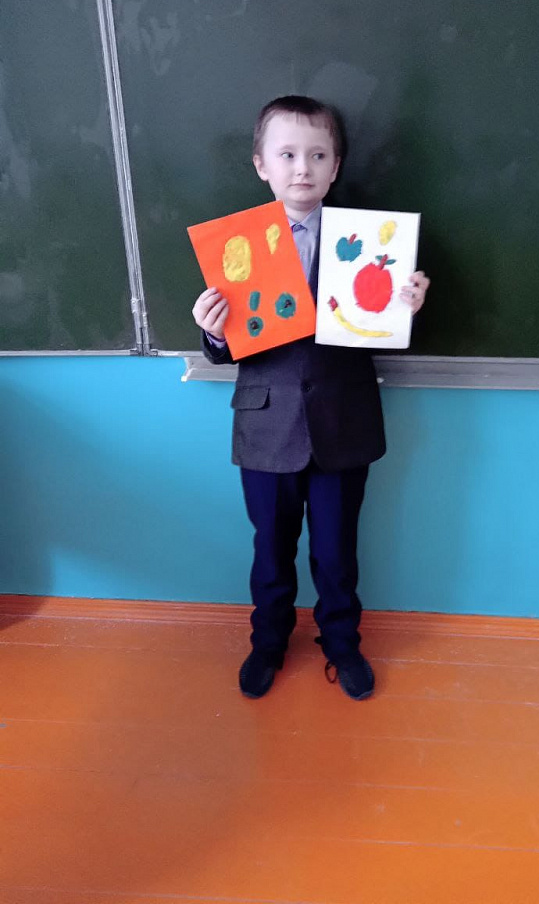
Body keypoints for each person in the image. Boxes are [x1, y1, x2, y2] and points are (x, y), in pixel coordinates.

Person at [192, 95, 430, 700]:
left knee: (336, 550)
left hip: (342, 423)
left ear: (335, 166)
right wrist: (213, 333)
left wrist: (404, 308)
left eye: (318, 155)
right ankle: (268, 643)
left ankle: (342, 643)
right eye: (288, 155)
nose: (303, 168)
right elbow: (229, 347)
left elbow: (380, 330)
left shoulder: (372, 242)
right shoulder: (237, 246)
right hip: (266, 427)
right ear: (261, 165)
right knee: (270, 550)